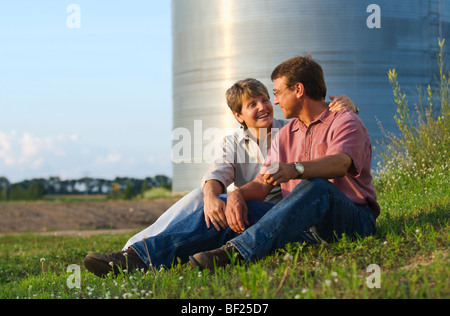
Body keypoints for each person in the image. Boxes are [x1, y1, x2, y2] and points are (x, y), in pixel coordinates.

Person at [83, 76, 359, 277]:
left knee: (223, 203)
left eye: (265, 99)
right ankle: (134, 254)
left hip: (285, 207)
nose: (263, 106)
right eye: (253, 104)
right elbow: (218, 174)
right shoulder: (233, 142)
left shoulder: (289, 131)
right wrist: (213, 196)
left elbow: (326, 129)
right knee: (203, 198)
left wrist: (349, 107)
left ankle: (141, 254)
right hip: (255, 204)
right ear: (239, 115)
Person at [190, 55, 379, 270]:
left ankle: (238, 251)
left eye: (277, 94)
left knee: (319, 188)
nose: (275, 101)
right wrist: (237, 195)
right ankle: (150, 254)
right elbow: (262, 183)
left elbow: (341, 163)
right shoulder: (286, 133)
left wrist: (295, 169)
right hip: (304, 221)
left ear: (298, 90)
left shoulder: (345, 119)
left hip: (352, 218)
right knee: (232, 205)